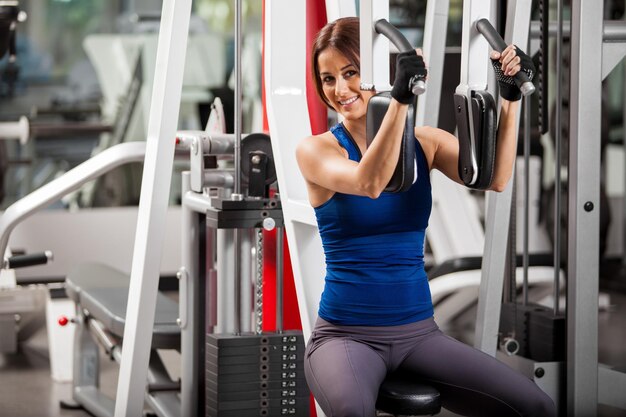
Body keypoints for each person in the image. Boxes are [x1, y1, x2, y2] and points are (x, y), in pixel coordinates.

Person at [295, 16, 556, 417]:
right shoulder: (317, 151)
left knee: (536, 406)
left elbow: (496, 178)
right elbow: (370, 181)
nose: (340, 89)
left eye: (351, 73)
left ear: (377, 73)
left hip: (419, 335)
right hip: (345, 337)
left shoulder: (426, 142)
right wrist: (398, 99)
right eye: (328, 79)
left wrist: (509, 99)